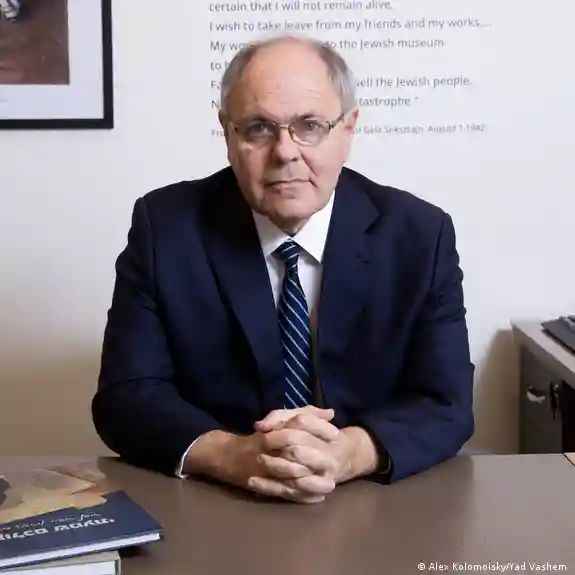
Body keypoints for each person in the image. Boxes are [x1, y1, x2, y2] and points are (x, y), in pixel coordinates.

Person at [92, 33, 474, 504]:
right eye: (258, 128)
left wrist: (348, 453)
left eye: (310, 126)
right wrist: (231, 454)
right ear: (227, 133)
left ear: (348, 130)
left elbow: (446, 403)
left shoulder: (419, 235)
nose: (285, 152)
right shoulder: (165, 229)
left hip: (370, 501)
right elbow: (125, 397)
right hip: (217, 501)